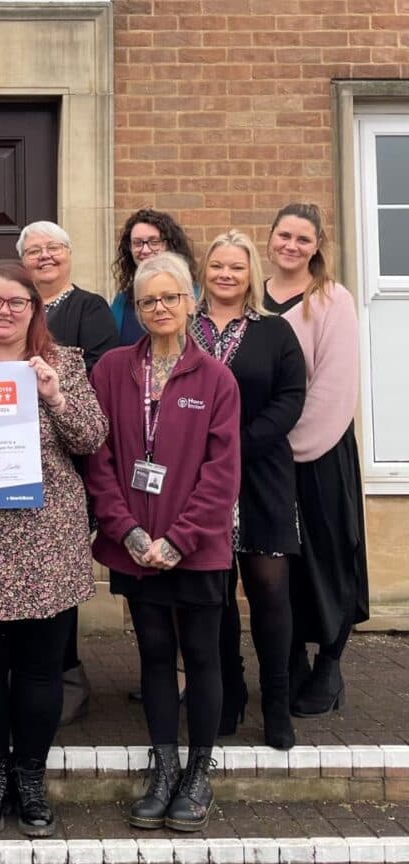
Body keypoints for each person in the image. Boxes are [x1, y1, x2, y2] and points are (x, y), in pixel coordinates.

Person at [0, 260, 107, 838]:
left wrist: (56, 396)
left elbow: (92, 437)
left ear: (35, 309)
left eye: (16, 302)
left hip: (45, 540)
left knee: (39, 672)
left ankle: (29, 777)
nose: (3, 311)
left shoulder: (62, 363)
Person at [86, 252, 240, 833]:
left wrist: (178, 539)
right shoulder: (112, 370)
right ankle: (164, 766)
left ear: (191, 302)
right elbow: (97, 459)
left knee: (201, 657)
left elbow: (222, 471)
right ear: (138, 307)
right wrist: (125, 528)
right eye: (149, 299)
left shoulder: (216, 378)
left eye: (171, 297)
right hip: (134, 547)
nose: (160, 308)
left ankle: (199, 770)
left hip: (195, 549)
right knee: (152, 656)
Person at [191, 230, 306, 749]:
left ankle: (276, 702)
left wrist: (239, 444)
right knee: (213, 594)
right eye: (217, 266)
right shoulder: (184, 327)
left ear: (249, 272)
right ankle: (228, 693)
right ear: (205, 270)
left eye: (237, 267)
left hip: (262, 474)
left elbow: (290, 398)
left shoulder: (275, 331)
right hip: (196, 479)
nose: (226, 275)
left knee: (269, 591)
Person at [263, 202, 370, 717]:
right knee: (282, 563)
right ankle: (291, 660)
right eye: (284, 235)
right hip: (266, 456)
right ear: (270, 238)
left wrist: (291, 443)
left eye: (303, 239)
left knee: (327, 558)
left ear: (318, 245)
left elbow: (333, 386)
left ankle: (329, 662)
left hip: (318, 451)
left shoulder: (333, 300)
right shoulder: (252, 299)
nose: (291, 245)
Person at [17, 220, 119, 723]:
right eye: (33, 251)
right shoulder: (11, 307)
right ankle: (26, 676)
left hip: (67, 462)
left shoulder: (90, 308)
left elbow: (98, 376)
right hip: (7, 458)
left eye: (53, 248)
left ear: (69, 254)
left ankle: (66, 675)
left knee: (60, 574)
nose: (44, 257)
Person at [111, 209, 197, 346]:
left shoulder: (195, 294)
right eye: (138, 243)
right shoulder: (122, 302)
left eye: (154, 242)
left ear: (170, 244)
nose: (145, 250)